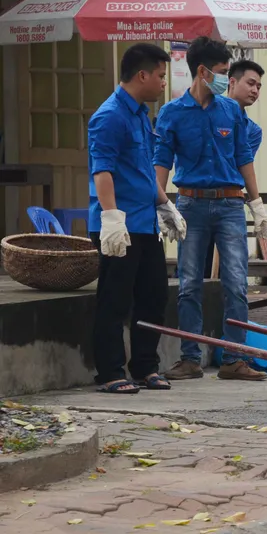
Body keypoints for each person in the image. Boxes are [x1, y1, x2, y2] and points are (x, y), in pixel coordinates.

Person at [154, 36, 267, 382]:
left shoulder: (230, 110)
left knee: (236, 282)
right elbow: (161, 161)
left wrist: (256, 203)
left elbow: (243, 157)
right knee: (189, 283)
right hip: (189, 203)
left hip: (231, 205)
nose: (225, 79)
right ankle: (190, 357)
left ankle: (234, 357)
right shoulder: (171, 114)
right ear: (202, 71)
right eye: (221, 72)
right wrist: (161, 205)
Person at [87, 43, 187, 394]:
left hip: (145, 222)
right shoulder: (109, 116)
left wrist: (166, 205)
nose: (163, 83)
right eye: (160, 76)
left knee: (153, 296)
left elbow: (144, 170)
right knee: (115, 300)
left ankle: (145, 366)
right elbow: (103, 172)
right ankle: (111, 372)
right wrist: (112, 218)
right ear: (142, 75)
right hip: (119, 225)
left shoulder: (140, 115)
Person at [200, 60, 267, 280]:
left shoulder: (253, 130)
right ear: (231, 81)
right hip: (198, 200)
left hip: (230, 203)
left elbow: (239, 164)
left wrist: (257, 205)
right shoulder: (206, 112)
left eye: (258, 86)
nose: (255, 90)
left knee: (234, 275)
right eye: (250, 83)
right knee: (196, 273)